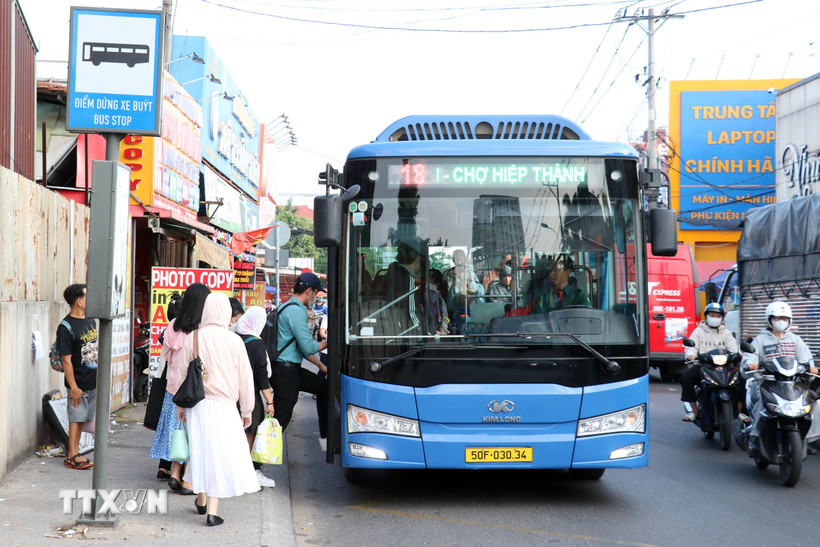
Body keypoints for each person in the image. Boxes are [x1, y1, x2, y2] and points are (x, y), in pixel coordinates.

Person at [176, 293, 259, 526]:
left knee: (200, 450)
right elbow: (245, 378)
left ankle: (201, 499)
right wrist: (247, 410)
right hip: (225, 406)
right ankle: (212, 510)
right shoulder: (235, 341)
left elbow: (181, 375)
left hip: (198, 405)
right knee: (219, 455)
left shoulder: (194, 337)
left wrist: (180, 406)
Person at [150, 282, 210, 495]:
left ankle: (174, 473)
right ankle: (186, 479)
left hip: (173, 388)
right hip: (194, 389)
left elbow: (166, 355)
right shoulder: (201, 329)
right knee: (193, 432)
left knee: (177, 431)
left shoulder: (173, 324)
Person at [741, 301, 817, 452]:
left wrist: (811, 368)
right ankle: (755, 438)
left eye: (784, 318)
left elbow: (807, 360)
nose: (780, 321)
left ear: (790, 320)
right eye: (776, 318)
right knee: (760, 404)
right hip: (767, 383)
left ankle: (806, 438)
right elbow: (750, 358)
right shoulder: (760, 339)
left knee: (815, 404)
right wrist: (751, 364)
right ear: (769, 319)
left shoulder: (796, 340)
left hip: (793, 384)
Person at [267, 272, 330, 451]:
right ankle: (256, 465)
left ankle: (328, 435)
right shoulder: (296, 311)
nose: (315, 298)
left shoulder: (286, 306)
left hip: (288, 369)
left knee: (324, 387)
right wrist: (329, 342)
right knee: (280, 420)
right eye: (316, 294)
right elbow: (308, 347)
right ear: (309, 290)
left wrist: (321, 366)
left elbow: (299, 348)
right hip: (286, 373)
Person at [56, 284, 98, 470]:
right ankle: (72, 455)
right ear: (79, 301)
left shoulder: (90, 321)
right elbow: (66, 360)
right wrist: (73, 386)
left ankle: (76, 451)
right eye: (87, 296)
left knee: (82, 418)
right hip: (78, 382)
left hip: (92, 379)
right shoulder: (65, 327)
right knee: (76, 417)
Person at [234, 306, 276, 488]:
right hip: (249, 394)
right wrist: (270, 401)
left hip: (230, 393)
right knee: (249, 431)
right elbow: (261, 375)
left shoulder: (234, 338)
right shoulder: (256, 344)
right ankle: (244, 473)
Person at [679, 302, 739, 422]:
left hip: (724, 366)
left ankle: (740, 411)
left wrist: (737, 355)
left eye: (718, 316)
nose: (715, 318)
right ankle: (694, 409)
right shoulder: (698, 332)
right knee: (686, 377)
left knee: (741, 381)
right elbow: (691, 346)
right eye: (712, 315)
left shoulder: (726, 333)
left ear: (722, 317)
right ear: (707, 316)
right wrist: (691, 355)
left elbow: (733, 349)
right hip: (703, 366)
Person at [383, 239, 427, 334]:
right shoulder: (409, 279)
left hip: (388, 326)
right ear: (418, 259)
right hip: (402, 330)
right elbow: (411, 313)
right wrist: (423, 332)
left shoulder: (390, 275)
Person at [445, 249, 484, 317]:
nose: (466, 273)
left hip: (476, 316)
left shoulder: (479, 287)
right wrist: (459, 301)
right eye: (456, 259)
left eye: (468, 271)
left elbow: (482, 305)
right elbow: (450, 307)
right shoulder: (454, 287)